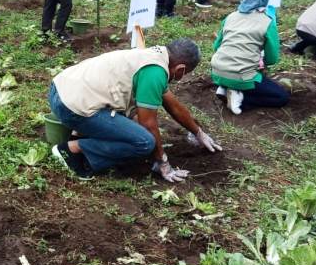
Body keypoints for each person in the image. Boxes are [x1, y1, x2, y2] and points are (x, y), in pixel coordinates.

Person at [48, 39, 222, 182]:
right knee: (144, 142)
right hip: (72, 107)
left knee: (135, 127)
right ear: (181, 69)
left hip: (61, 88)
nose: (183, 77)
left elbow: (173, 105)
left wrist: (198, 132)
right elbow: (148, 124)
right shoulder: (155, 72)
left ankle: (81, 133)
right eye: (186, 74)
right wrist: (163, 162)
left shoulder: (155, 55)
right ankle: (71, 150)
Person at [211, 0, 288, 115]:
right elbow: (272, 58)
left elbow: (216, 46)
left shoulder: (230, 17)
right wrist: (260, 59)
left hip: (217, 71)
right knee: (281, 97)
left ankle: (224, 87)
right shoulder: (267, 22)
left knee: (237, 73)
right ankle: (241, 97)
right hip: (242, 76)